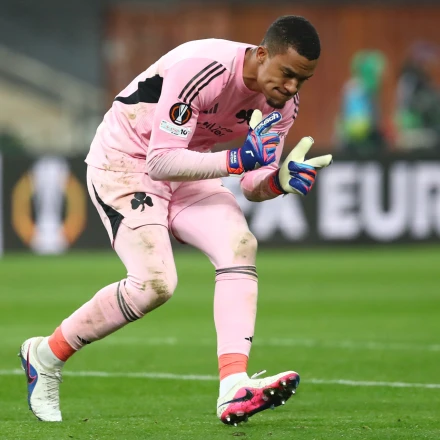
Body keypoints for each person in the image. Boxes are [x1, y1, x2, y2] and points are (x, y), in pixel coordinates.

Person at [19, 15, 331, 426]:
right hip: (126, 162)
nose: (291, 87)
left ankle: (233, 385)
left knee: (240, 245)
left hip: (187, 167)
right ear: (261, 54)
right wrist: (237, 160)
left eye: (302, 80)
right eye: (287, 73)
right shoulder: (204, 68)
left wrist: (277, 181)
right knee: (154, 285)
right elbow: (161, 160)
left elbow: (252, 183)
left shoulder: (283, 104)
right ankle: (45, 355)